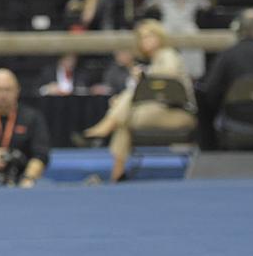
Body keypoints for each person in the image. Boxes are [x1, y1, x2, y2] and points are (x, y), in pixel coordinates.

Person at [81, 21, 196, 182]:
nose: (146, 41)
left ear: (160, 37)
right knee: (125, 121)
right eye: (142, 38)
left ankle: (108, 123)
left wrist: (144, 77)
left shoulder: (168, 54)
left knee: (128, 106)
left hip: (178, 112)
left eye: (150, 36)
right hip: (156, 112)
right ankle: (117, 174)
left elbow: (166, 81)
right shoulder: (153, 61)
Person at [141, 0, 214, 79]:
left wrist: (212, 1)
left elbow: (206, 4)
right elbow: (147, 4)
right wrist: (156, 5)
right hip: (168, 25)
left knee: (194, 39)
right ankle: (159, 72)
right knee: (158, 40)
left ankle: (194, 75)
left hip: (186, 24)